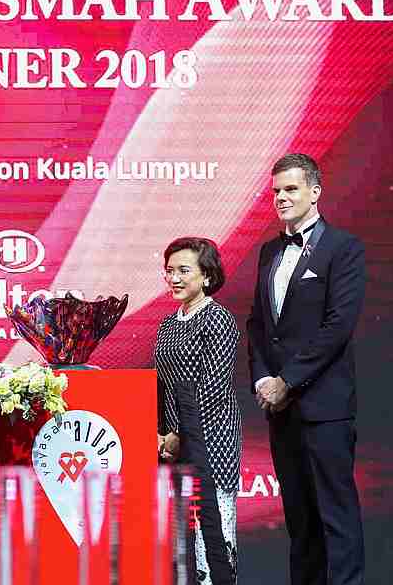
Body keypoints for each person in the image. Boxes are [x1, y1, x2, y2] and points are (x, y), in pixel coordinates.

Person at [247, 153, 366, 585]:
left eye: (291, 189)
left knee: (337, 516)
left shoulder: (343, 247)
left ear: (315, 192)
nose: (281, 197)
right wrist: (263, 378)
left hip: (325, 405)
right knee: (300, 522)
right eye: (276, 190)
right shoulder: (268, 251)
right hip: (280, 409)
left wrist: (288, 381)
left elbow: (338, 326)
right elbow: (259, 326)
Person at [155, 237, 241, 585]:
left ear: (206, 276)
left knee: (213, 534)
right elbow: (161, 385)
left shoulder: (218, 319)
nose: (174, 278)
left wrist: (178, 435)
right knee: (179, 540)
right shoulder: (167, 325)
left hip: (211, 438)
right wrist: (163, 434)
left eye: (183, 271)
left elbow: (213, 387)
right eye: (169, 271)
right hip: (174, 443)